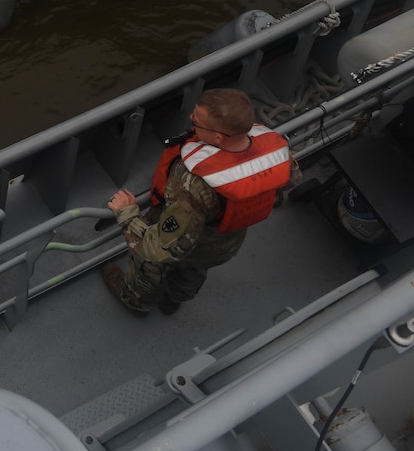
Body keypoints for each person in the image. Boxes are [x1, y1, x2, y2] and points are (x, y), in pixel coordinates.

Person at [102, 88, 297, 317]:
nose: (190, 119)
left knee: (150, 265)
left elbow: (159, 248)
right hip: (226, 245)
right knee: (193, 273)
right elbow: (291, 179)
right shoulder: (275, 154)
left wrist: (128, 213)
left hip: (192, 246)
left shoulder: (193, 185)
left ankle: (137, 303)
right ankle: (173, 301)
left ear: (218, 138)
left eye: (197, 120)